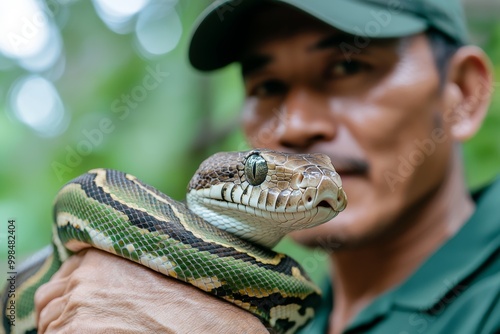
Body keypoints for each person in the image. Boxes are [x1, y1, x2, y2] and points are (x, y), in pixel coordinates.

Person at [33, 0, 500, 333]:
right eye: (267, 85)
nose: (294, 126)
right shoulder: (308, 314)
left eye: (347, 68)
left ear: (463, 93)